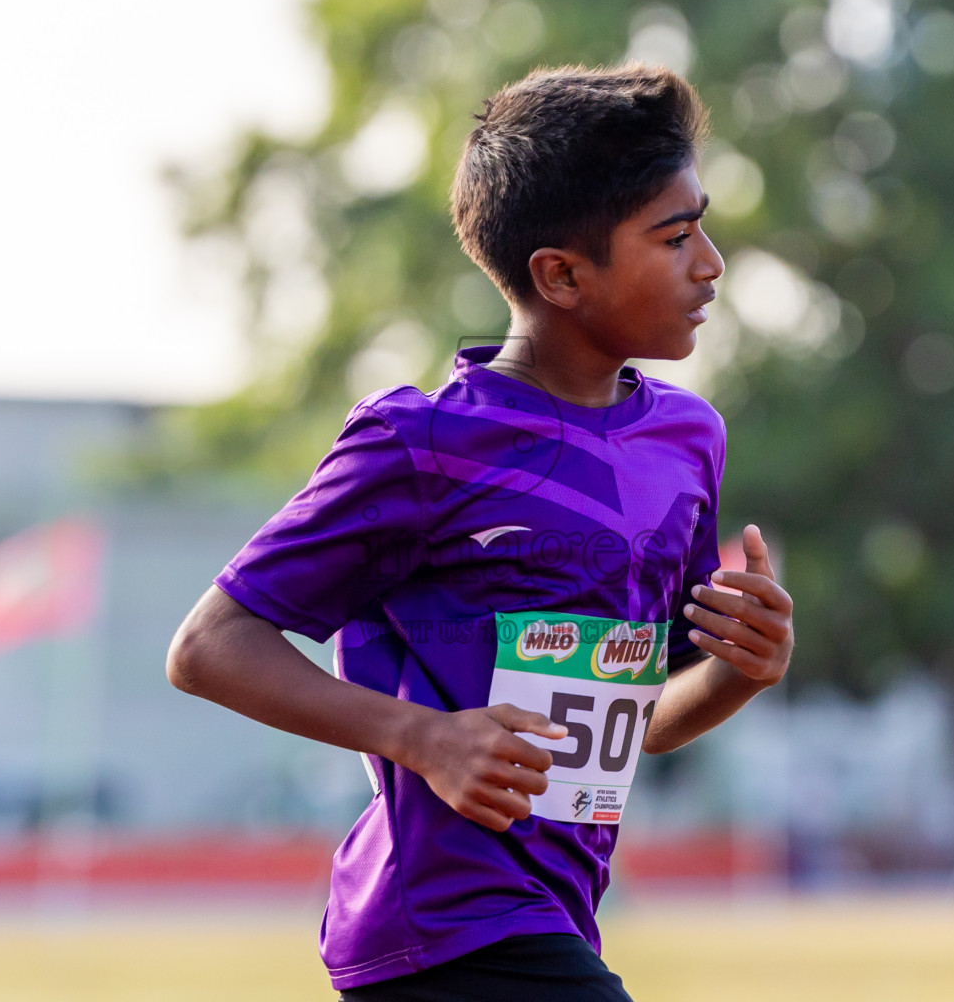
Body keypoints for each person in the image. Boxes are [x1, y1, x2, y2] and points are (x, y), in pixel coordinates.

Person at [167, 63, 794, 1001]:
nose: (710, 261)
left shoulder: (687, 440)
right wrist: (423, 737)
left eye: (704, 224)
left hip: (555, 912)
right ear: (561, 275)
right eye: (674, 236)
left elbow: (634, 727)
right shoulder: (424, 441)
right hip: (441, 923)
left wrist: (738, 671)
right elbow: (208, 647)